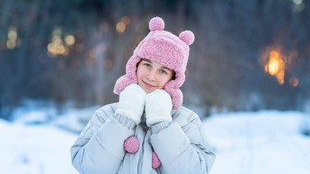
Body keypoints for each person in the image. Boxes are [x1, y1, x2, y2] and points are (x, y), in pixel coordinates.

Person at [70, 16, 216, 174]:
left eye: (163, 71)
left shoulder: (187, 121)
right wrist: (124, 118)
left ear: (173, 79)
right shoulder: (106, 115)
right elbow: (87, 166)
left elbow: (196, 171)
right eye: (147, 65)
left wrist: (162, 123)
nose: (151, 76)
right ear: (135, 65)